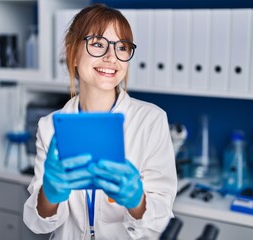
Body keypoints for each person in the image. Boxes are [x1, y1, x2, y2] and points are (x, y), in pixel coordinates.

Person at [23, 3, 177, 239]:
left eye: (122, 47)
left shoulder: (151, 120)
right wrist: (49, 194)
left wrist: (138, 201)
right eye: (97, 44)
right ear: (73, 53)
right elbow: (39, 223)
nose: (110, 57)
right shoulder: (50, 125)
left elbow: (162, 220)